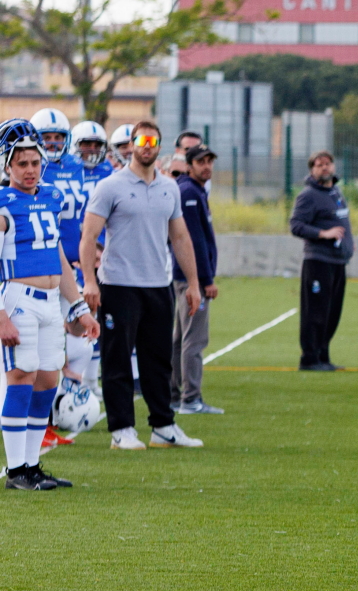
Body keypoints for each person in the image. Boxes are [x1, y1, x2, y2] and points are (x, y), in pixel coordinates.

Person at [79, 119, 204, 450]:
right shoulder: (110, 186)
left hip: (158, 285)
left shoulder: (169, 187)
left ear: (160, 146)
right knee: (117, 359)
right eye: (141, 140)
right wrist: (90, 281)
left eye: (153, 141)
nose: (147, 146)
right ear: (131, 145)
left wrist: (193, 283)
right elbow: (89, 235)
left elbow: (179, 236)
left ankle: (163, 425)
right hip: (118, 284)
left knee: (158, 360)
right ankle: (122, 430)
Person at [0, 120, 100, 489]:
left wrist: (78, 308)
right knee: (21, 377)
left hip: (50, 302)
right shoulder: (3, 202)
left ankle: (32, 464)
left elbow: (59, 256)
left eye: (34, 162)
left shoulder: (51, 197)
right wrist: (1, 317)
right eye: (21, 163)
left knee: (47, 379)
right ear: (7, 166)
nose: (29, 170)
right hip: (18, 300)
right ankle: (16, 470)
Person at [38, 118, 112, 452]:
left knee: (73, 343)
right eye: (46, 138)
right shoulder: (32, 179)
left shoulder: (77, 168)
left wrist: (93, 251)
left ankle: (51, 417)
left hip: (70, 268)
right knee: (33, 359)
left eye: (57, 137)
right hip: (36, 273)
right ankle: (36, 426)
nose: (52, 143)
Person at [289, 151, 354, 371]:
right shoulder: (308, 195)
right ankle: (309, 359)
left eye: (328, 164)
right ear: (312, 170)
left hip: (337, 262)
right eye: (319, 165)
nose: (324, 168)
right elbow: (296, 225)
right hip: (318, 261)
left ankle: (323, 357)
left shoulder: (335, 192)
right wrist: (323, 234)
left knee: (331, 312)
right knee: (315, 312)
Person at [171, 146, 221, 414]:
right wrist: (205, 279)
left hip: (185, 276)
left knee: (180, 337)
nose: (207, 167)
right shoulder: (189, 192)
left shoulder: (193, 189)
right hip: (191, 278)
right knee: (194, 338)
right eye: (201, 162)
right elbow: (193, 241)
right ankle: (190, 398)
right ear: (189, 165)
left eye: (210, 162)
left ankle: (174, 393)